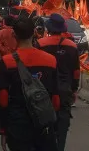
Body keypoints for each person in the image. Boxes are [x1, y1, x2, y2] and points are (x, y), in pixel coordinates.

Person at [0, 16, 59, 151]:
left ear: (14, 34)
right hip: (44, 124)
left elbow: (2, 100)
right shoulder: (51, 60)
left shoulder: (7, 62)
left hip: (18, 126)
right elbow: (55, 98)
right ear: (34, 33)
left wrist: (3, 129)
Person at [38, 14, 80, 151]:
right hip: (64, 91)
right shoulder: (72, 46)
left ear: (48, 28)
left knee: (43, 129)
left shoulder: (40, 44)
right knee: (62, 130)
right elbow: (76, 72)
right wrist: (74, 89)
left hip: (45, 92)